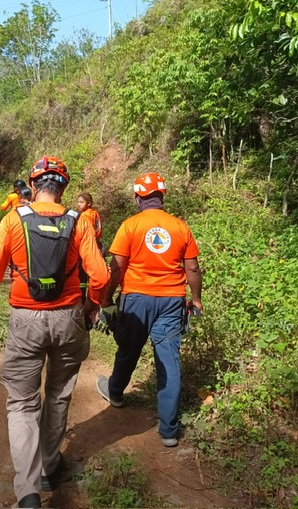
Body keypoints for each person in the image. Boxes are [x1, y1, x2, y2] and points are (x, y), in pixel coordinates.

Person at [0, 156, 110, 508]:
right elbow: (102, 276)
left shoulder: (13, 220)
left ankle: (29, 491)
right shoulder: (78, 222)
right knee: (59, 394)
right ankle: (50, 466)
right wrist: (92, 304)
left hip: (25, 320)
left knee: (21, 404)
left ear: (33, 186)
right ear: (62, 188)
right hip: (68, 317)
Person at [96, 172, 202, 448]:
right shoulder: (180, 227)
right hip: (171, 300)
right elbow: (192, 268)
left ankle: (115, 392)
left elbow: (117, 267)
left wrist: (106, 296)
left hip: (136, 298)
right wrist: (197, 300)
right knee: (168, 360)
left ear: (137, 197)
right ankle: (168, 430)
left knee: (129, 348)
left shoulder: (131, 225)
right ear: (162, 196)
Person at [76, 192, 105, 301]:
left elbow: (86, 233)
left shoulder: (85, 216)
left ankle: (83, 299)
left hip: (88, 246)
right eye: (78, 202)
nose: (79, 204)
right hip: (98, 245)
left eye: (81, 202)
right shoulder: (95, 213)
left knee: (83, 277)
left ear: (89, 203)